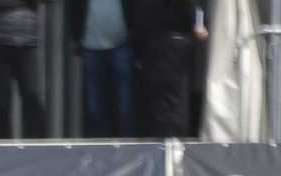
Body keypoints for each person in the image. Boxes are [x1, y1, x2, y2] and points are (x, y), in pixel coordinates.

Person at [131, 0, 208, 137]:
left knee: (168, 94)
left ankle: (170, 140)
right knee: (169, 94)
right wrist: (198, 24)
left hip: (164, 38)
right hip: (167, 38)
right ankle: (169, 140)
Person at [0, 0, 47, 139]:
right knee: (1, 100)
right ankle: (3, 147)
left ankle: (40, 147)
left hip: (28, 41)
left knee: (32, 96)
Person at [69, 0, 138, 137]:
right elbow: (73, 10)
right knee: (94, 108)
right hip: (91, 47)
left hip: (121, 45)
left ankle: (128, 147)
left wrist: (134, 39)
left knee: (125, 106)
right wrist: (77, 38)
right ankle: (99, 151)